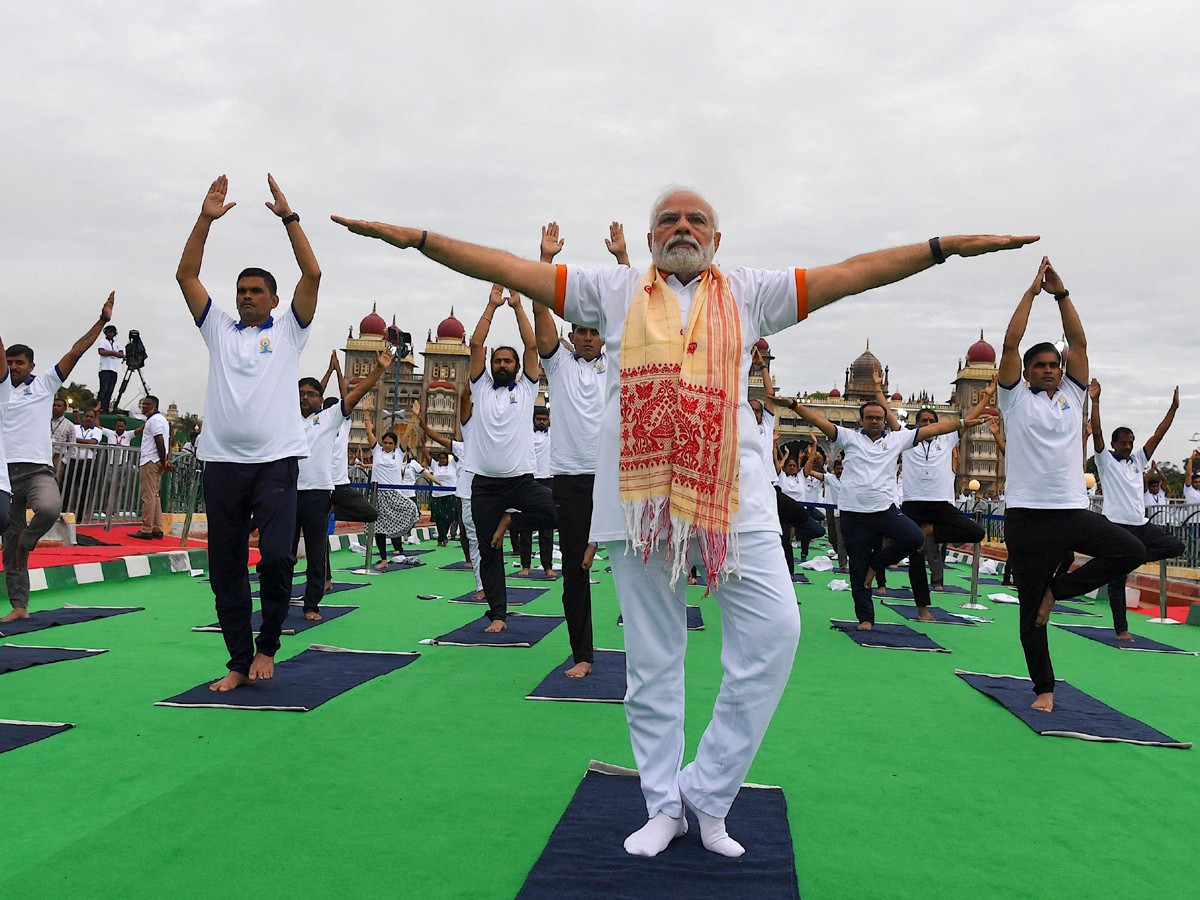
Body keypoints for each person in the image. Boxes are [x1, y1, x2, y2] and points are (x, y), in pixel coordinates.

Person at [331, 187, 1035, 857]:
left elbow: (850, 274)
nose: (682, 229)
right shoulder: (613, 293)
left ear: (717, 239)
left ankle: (709, 791)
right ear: (648, 239)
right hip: (639, 505)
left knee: (778, 632)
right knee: (653, 661)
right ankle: (663, 807)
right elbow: (511, 268)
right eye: (669, 220)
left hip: (736, 500)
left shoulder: (751, 292)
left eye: (696, 220)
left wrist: (943, 247)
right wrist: (417, 241)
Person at [177, 173, 321, 692]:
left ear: (274, 298)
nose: (246, 298)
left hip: (276, 462)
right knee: (225, 568)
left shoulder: (289, 330)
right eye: (240, 291)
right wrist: (205, 219)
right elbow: (186, 274)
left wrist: (289, 218)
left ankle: (268, 647)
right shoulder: (218, 328)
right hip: (222, 465)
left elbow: (314, 272)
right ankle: (239, 659)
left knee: (279, 556)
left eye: (256, 291)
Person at [997, 258, 1144, 711]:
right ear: (1025, 372)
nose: (1047, 370)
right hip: (1025, 515)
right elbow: (1010, 341)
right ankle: (1045, 688)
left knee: (1131, 551)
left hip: (1070, 510)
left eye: (1052, 365)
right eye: (1038, 365)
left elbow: (1079, 341)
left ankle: (1055, 592)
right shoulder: (1013, 398)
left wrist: (1061, 294)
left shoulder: (1073, 394)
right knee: (1028, 618)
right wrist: (1030, 292)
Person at [792, 388, 976, 628]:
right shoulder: (849, 438)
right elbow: (818, 420)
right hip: (853, 514)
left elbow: (935, 429)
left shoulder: (896, 440)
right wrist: (795, 406)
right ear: (861, 420)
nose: (875, 421)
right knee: (857, 569)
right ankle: (866, 618)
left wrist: (963, 422)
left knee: (914, 537)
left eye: (879, 417)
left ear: (884, 420)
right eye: (869, 417)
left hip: (884, 511)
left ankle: (876, 564)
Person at [3, 294, 116, 621]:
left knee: (50, 507)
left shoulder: (44, 386)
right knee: (11, 546)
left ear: (31, 366)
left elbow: (77, 350)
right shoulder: (0, 390)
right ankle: (19, 606)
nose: (13, 368)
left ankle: (32, 536)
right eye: (8, 363)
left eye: (19, 363)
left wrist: (102, 321)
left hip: (37, 470)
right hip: (5, 475)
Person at [534, 221, 612, 676]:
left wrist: (623, 262)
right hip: (571, 478)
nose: (586, 336)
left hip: (616, 478)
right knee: (574, 575)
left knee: (637, 571)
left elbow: (634, 315)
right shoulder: (559, 365)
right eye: (579, 330)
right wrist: (545, 263)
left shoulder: (617, 362)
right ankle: (583, 655)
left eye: (593, 331)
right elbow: (543, 321)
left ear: (603, 336)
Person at [462, 285, 556, 632]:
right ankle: (498, 615)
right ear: (490, 366)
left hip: (521, 482)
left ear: (517, 366)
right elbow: (475, 345)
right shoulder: (481, 387)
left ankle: (511, 522)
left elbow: (533, 346)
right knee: (489, 552)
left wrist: (517, 307)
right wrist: (490, 305)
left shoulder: (526, 388)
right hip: (485, 486)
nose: (503, 364)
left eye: (508, 361)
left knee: (555, 512)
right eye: (497, 360)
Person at [294, 349, 390, 619]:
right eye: (301, 393)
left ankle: (311, 604)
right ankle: (276, 600)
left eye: (311, 394)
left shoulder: (329, 419)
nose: (305, 398)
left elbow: (354, 395)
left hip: (319, 493)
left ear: (321, 401)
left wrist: (378, 369)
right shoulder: (287, 419)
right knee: (281, 555)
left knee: (315, 553)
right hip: (289, 494)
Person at [1089, 379, 1184, 641]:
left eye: (1131, 442)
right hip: (1117, 526)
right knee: (1117, 583)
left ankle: (1131, 557)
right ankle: (1121, 629)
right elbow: (1096, 431)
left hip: (1139, 525)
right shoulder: (1105, 461)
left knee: (1176, 546)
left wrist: (1173, 409)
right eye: (1123, 443)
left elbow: (1158, 434)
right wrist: (1095, 400)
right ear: (1114, 443)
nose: (1128, 446)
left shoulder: (1138, 460)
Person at [899, 384, 995, 613]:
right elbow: (889, 417)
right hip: (913, 503)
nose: (928, 425)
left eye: (932, 421)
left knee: (976, 533)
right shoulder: (907, 439)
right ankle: (923, 608)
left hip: (940, 503)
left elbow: (969, 417)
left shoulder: (948, 438)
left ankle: (930, 530)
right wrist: (876, 388)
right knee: (916, 557)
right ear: (917, 425)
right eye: (923, 421)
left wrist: (988, 396)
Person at [417, 385, 485, 598]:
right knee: (472, 539)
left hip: (491, 494)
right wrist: (424, 429)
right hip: (466, 495)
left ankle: (492, 584)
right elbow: (439, 438)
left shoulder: (496, 440)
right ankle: (482, 586)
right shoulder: (464, 445)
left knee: (490, 540)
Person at [363, 398, 421, 570]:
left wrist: (414, 417)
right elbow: (369, 433)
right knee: (377, 528)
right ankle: (383, 558)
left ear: (395, 445)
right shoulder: (377, 451)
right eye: (385, 442)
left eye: (390, 443)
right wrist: (366, 412)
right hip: (377, 494)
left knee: (412, 510)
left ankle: (400, 539)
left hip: (394, 493)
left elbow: (407, 434)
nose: (387, 445)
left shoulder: (399, 452)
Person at [127, 395, 172, 539]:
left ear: (155, 406)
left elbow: (159, 440)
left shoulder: (154, 421)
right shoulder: (162, 420)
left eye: (147, 404)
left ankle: (146, 529)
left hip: (150, 460)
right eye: (143, 404)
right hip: (157, 460)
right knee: (155, 495)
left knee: (148, 496)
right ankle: (157, 528)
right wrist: (165, 460)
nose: (144, 406)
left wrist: (163, 459)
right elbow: (168, 441)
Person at [97, 324, 124, 413]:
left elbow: (121, 354)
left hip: (114, 369)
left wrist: (113, 353)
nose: (110, 334)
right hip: (104, 368)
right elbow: (101, 351)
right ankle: (100, 406)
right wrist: (113, 353)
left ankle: (106, 408)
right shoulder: (103, 341)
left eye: (111, 332)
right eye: (108, 332)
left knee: (110, 390)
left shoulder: (117, 343)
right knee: (103, 389)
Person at [49, 396, 77, 475]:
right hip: (42, 456)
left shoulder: (69, 425)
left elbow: (72, 446)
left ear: (65, 408)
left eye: (59, 406)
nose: (55, 408)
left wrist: (63, 461)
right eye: (54, 405)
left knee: (54, 482)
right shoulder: (45, 420)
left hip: (58, 457)